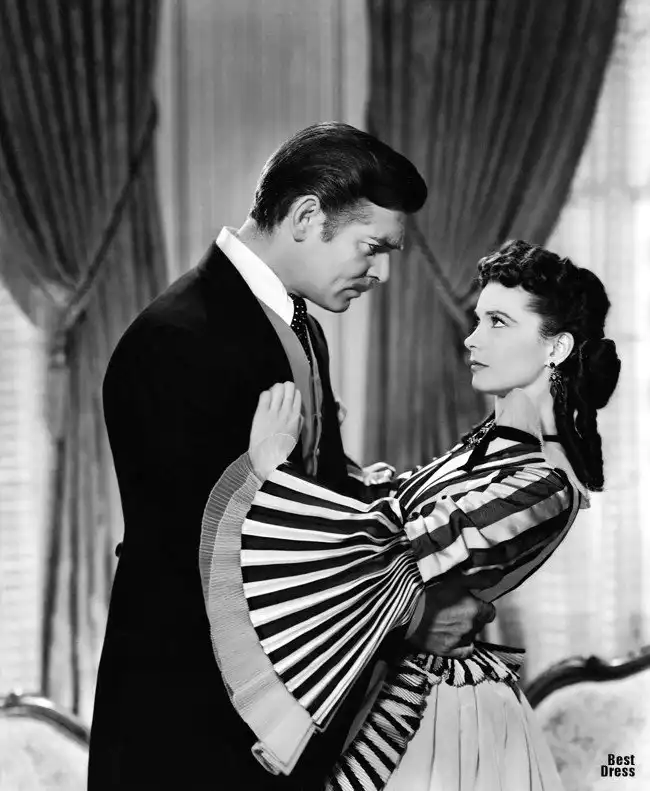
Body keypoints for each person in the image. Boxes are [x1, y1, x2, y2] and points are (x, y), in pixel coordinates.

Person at [88, 122, 494, 790]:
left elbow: (322, 501)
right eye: (373, 247)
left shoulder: (301, 328)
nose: (383, 273)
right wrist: (412, 617)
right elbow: (214, 558)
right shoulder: (174, 338)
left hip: (283, 716)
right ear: (307, 216)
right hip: (187, 722)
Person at [199, 239, 621, 790]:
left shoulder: (546, 483)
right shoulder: (488, 450)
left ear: (556, 347)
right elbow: (391, 502)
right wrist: (326, 450)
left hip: (439, 717)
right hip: (398, 686)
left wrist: (273, 472)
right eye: (478, 319)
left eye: (498, 322)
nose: (472, 338)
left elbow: (390, 550)